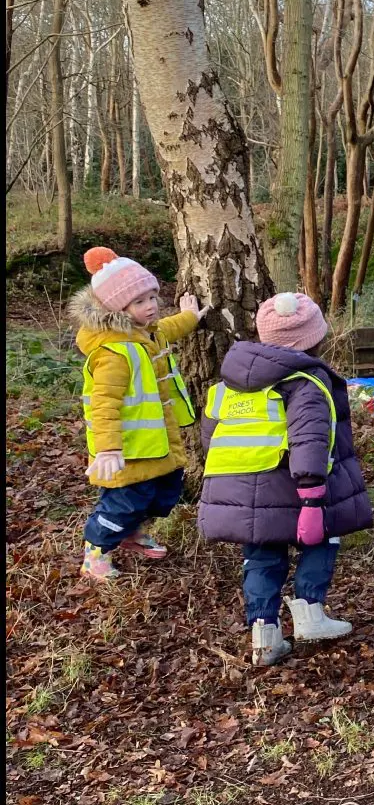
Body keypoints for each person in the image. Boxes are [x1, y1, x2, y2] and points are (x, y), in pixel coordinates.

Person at [197, 292, 373, 666]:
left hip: (239, 488)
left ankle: (264, 635)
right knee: (322, 537)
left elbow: (210, 440)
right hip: (291, 484)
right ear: (313, 340)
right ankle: (310, 611)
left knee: (261, 556)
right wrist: (312, 496)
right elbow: (309, 441)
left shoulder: (229, 384)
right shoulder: (304, 383)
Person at [73, 247, 207, 582]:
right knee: (124, 503)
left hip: (156, 444)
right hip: (127, 451)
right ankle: (95, 554)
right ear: (118, 309)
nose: (150, 306)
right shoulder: (114, 353)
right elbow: (103, 403)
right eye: (139, 301)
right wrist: (108, 448)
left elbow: (167, 328)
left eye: (152, 297)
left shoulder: (145, 332)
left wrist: (191, 317)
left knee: (165, 494)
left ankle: (130, 533)